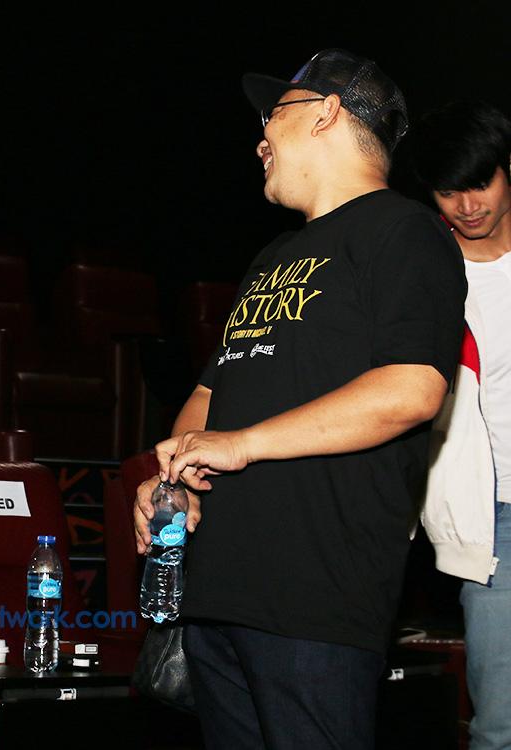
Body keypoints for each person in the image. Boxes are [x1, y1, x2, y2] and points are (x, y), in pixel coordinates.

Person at [133, 49, 467, 749]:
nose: (260, 138)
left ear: (326, 113)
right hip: (217, 592)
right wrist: (175, 476)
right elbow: (211, 390)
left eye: (273, 115)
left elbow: (412, 388)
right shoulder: (273, 256)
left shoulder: (406, 233)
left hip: (314, 599)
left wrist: (243, 444)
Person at [411, 100, 511, 750]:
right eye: (449, 191)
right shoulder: (425, 267)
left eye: (480, 183)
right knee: (500, 725)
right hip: (495, 513)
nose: (467, 205)